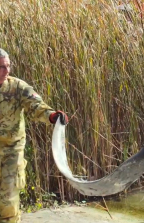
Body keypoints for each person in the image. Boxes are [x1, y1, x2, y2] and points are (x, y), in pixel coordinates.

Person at [0, 48, 68, 223]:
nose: (6, 71)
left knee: (9, 198)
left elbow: (37, 106)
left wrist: (52, 116)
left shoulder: (18, 87)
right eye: (1, 67)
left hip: (11, 150)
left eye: (8, 66)